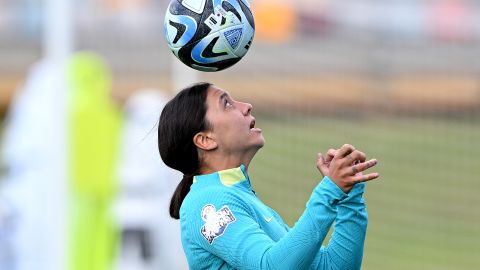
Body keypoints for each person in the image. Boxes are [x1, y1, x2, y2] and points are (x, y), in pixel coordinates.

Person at [157, 82, 380, 270]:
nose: (246, 106)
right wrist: (329, 191)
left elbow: (335, 266)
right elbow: (271, 266)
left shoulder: (239, 195)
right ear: (205, 140)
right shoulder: (207, 203)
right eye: (227, 103)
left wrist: (347, 192)